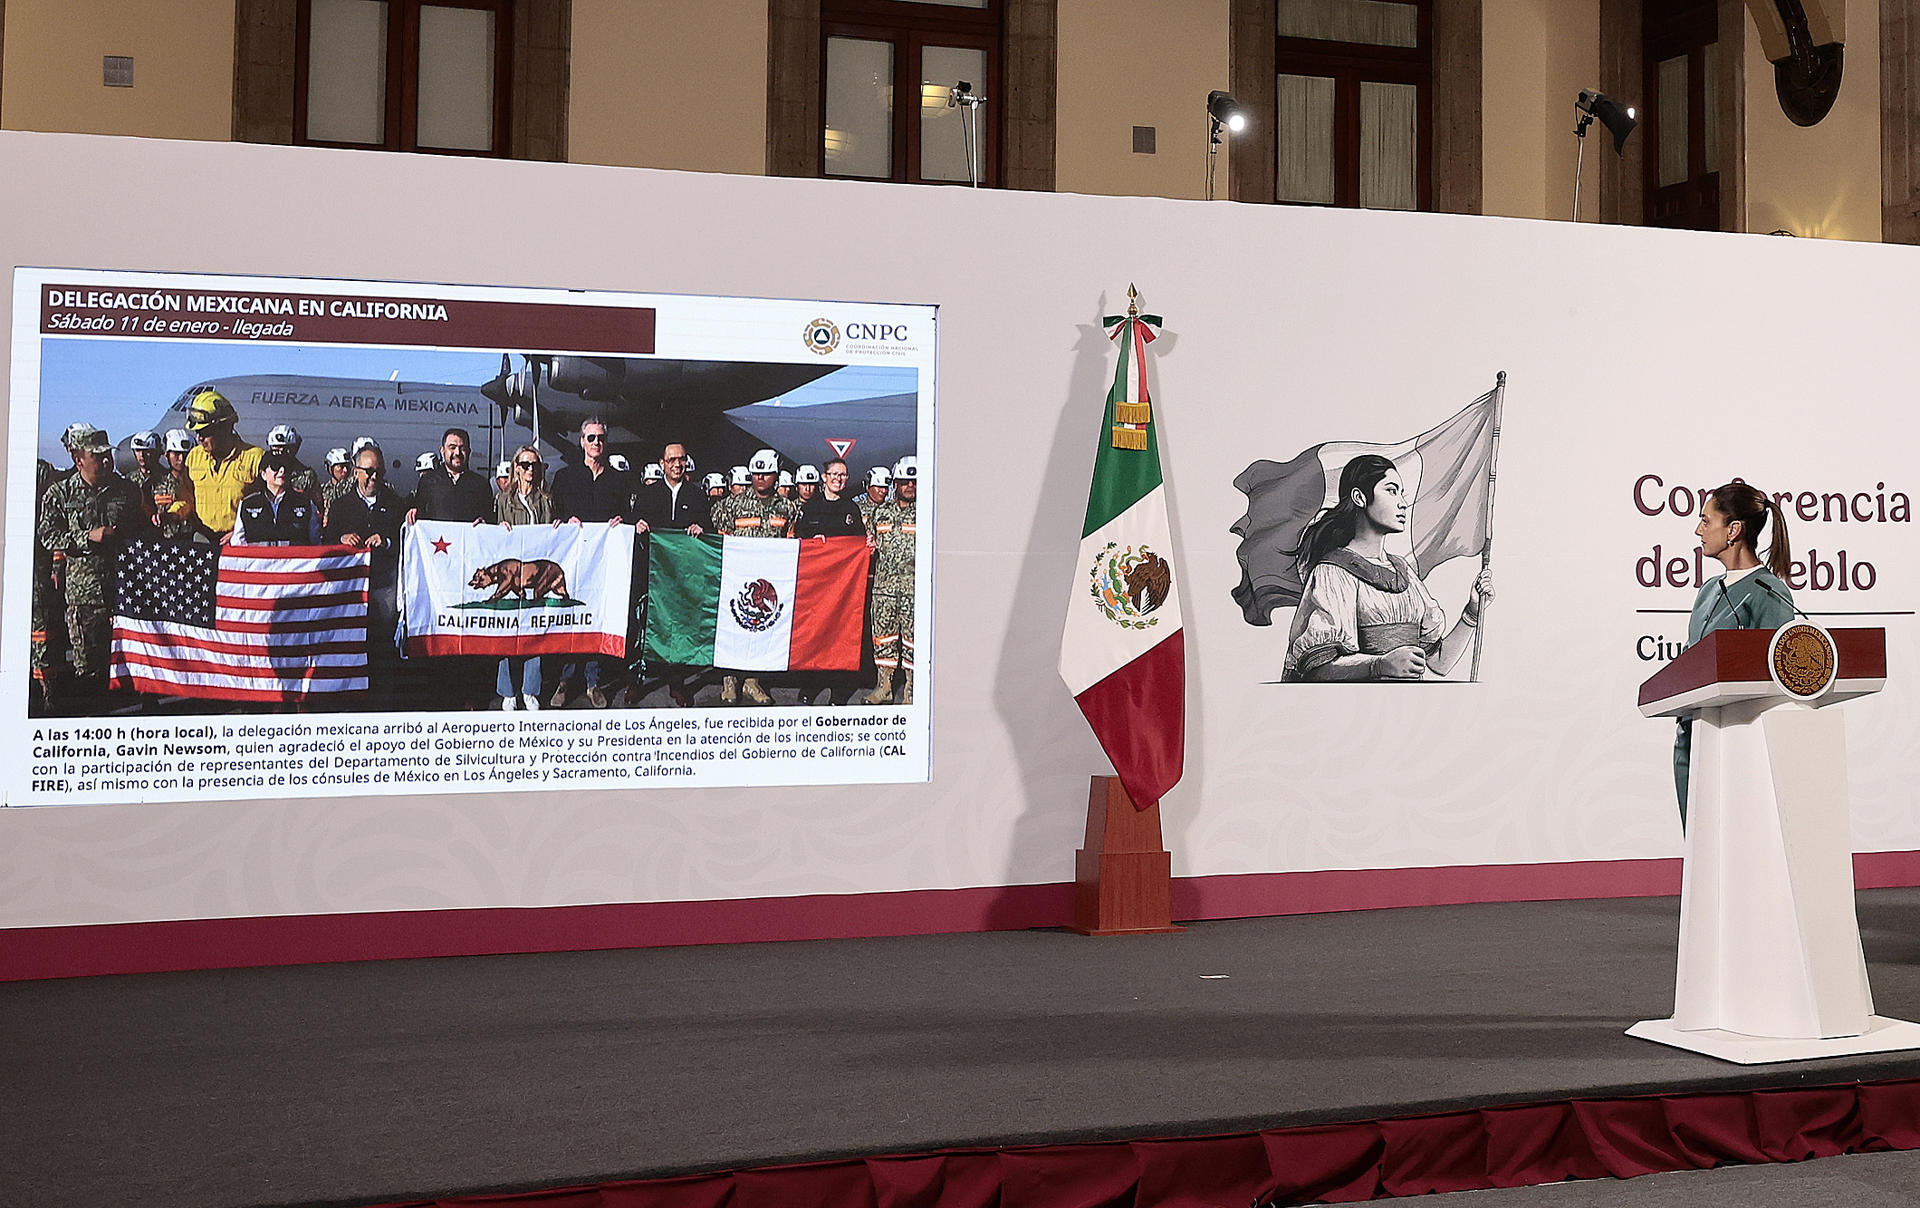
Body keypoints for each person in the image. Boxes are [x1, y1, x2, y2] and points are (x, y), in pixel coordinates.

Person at [1281, 454, 1492, 683]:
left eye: (1402, 493)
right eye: (1391, 490)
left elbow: (1439, 663)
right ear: (1359, 497)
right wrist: (1379, 665)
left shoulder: (1405, 573)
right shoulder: (1333, 572)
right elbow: (1316, 670)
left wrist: (1472, 612)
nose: (1402, 502)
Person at [1672, 481, 1798, 825]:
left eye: (1706, 521)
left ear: (1734, 530)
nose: (1698, 530)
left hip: (1736, 744)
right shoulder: (1708, 590)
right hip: (1693, 735)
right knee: (1699, 844)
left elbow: (1774, 679)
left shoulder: (1768, 592)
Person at [37, 426, 150, 710]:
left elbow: (142, 531)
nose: (106, 460)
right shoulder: (60, 493)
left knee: (132, 664)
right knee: (89, 671)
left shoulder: (126, 490)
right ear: (79, 461)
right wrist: (87, 536)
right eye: (97, 456)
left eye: (107, 454)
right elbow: (48, 535)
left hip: (124, 592)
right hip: (84, 598)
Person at [548, 418, 636, 707]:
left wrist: (622, 521)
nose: (596, 443)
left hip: (604, 562)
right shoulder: (564, 477)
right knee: (571, 617)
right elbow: (554, 518)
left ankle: (593, 682)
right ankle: (564, 679)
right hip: (573, 563)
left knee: (596, 617)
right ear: (581, 442)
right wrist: (561, 521)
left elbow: (627, 516)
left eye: (600, 438)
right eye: (590, 438)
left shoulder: (618, 480)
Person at [709, 448, 800, 704]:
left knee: (761, 630)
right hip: (738, 580)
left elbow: (792, 542)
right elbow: (720, 538)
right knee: (734, 628)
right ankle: (730, 679)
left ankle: (752, 681)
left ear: (776, 475)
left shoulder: (787, 507)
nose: (760, 478)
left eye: (766, 473)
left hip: (770, 581)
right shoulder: (732, 504)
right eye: (756, 473)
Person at [324, 448, 406, 705]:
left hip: (383, 585)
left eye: (379, 472)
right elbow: (325, 541)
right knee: (350, 642)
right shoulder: (341, 505)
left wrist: (387, 541)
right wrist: (341, 538)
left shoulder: (394, 502)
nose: (373, 477)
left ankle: (383, 701)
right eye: (368, 471)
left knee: (383, 642)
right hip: (350, 588)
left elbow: (406, 542)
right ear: (356, 471)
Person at [630, 442, 708, 706]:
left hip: (681, 577)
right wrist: (636, 524)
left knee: (678, 628)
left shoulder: (698, 496)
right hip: (651, 574)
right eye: (672, 459)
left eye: (682, 459)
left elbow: (707, 529)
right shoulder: (647, 494)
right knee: (643, 626)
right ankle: (636, 679)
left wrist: (701, 527)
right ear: (662, 463)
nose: (677, 464)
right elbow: (632, 523)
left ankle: (677, 683)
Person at [493, 444, 553, 711]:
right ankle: (508, 691)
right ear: (516, 468)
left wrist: (561, 528)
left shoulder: (546, 499)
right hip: (513, 572)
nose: (530, 470)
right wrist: (497, 528)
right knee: (508, 628)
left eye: (535, 465)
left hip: (536, 573)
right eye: (525, 465)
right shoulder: (503, 500)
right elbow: (489, 536)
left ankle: (530, 689)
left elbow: (555, 536)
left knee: (535, 629)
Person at [867, 457, 920, 704]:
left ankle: (911, 690)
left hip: (913, 591)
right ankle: (884, 687)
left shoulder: (926, 512)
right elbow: (867, 544)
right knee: (883, 639)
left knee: (913, 642)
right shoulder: (880, 513)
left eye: (915, 481)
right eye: (904, 481)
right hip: (883, 591)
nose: (910, 485)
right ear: (895, 483)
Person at [182, 389, 264, 541]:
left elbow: (270, 505)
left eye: (205, 432)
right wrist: (171, 514)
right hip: (203, 540)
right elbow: (186, 498)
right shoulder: (194, 457)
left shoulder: (255, 458)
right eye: (196, 432)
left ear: (225, 428)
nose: (199, 438)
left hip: (240, 542)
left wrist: (241, 531)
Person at [232, 452, 321, 545]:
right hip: (260, 559)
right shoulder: (247, 504)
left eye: (285, 466)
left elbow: (315, 542)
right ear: (263, 474)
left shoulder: (305, 503)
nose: (282, 470)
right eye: (275, 466)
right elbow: (238, 543)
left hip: (293, 559)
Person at [266, 424, 319, 495]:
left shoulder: (307, 476)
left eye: (285, 448)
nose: (280, 452)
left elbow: (316, 503)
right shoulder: (266, 472)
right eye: (276, 447)